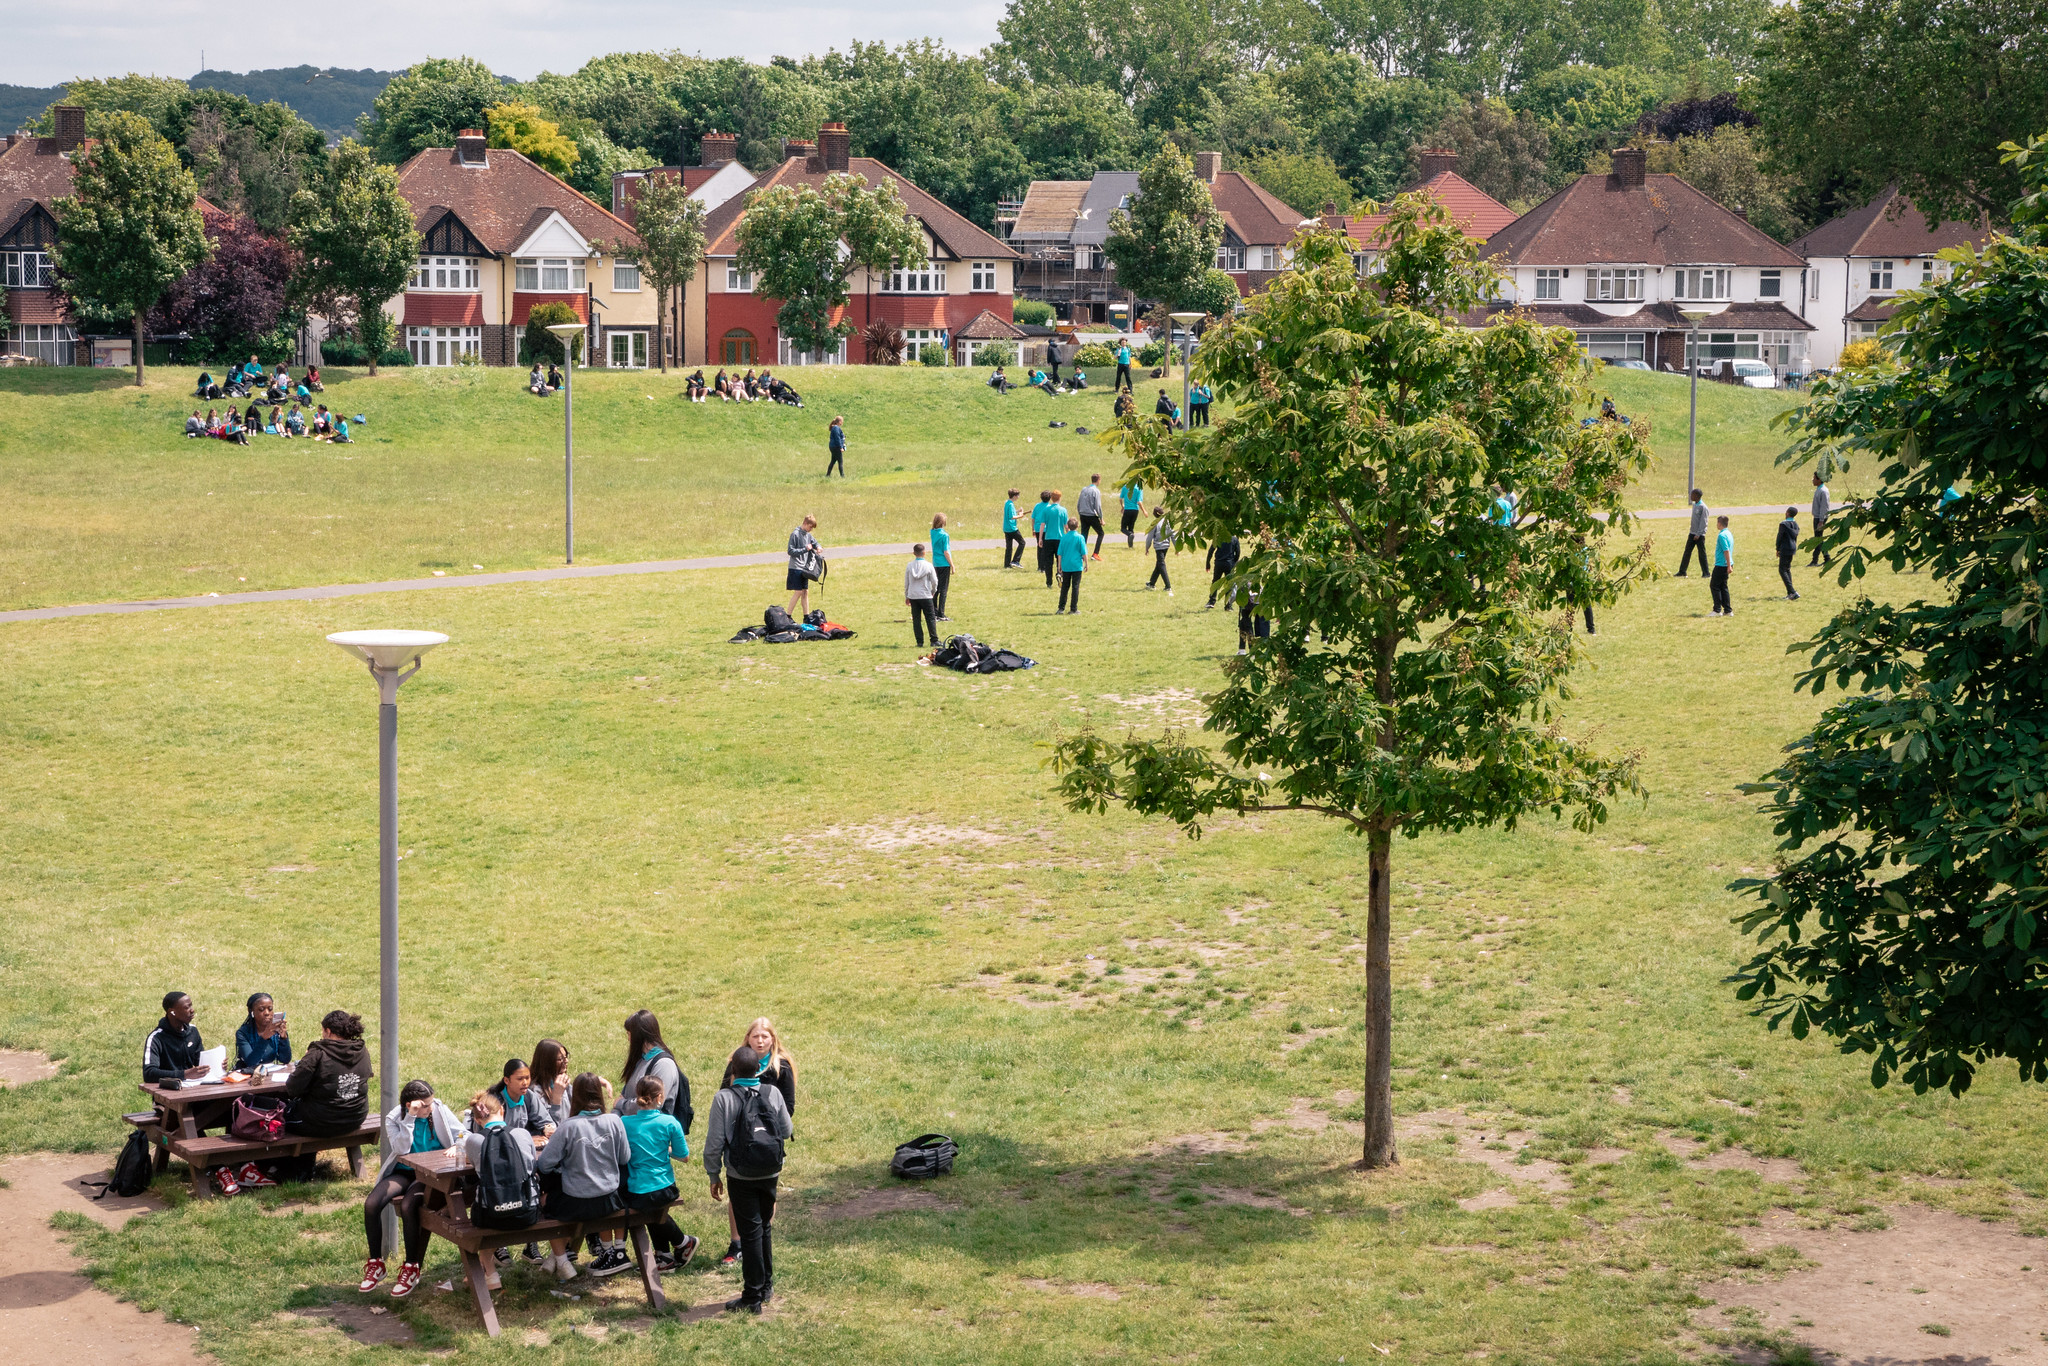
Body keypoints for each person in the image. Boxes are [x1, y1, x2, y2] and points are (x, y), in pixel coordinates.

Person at [704, 1046, 793, 1314]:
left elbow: (714, 1144)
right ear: (758, 1070)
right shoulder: (772, 1092)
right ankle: (766, 1286)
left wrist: (713, 1174)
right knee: (764, 1227)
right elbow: (787, 1129)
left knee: (750, 1232)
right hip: (770, 1170)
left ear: (733, 1070)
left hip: (741, 1174)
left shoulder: (724, 1098)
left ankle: (752, 1297)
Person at [357, 1078, 463, 1298]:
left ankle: (411, 1267)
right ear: (410, 1105)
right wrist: (410, 1119)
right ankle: (376, 1264)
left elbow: (464, 1133)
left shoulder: (439, 1111)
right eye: (424, 1105)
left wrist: (456, 1145)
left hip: (429, 1174)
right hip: (405, 1171)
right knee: (372, 1204)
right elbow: (402, 1149)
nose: (429, 1108)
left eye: (430, 1103)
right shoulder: (394, 1118)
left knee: (408, 1206)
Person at [536, 1072, 633, 1279]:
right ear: (599, 1094)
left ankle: (559, 1256)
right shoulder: (615, 1121)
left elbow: (544, 1165)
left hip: (575, 1205)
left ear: (575, 1097)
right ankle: (561, 1257)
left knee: (545, 1198)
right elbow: (625, 1158)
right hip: (610, 1201)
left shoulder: (568, 1127)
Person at [718, 1019, 796, 1267]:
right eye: (756, 1036)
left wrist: (764, 1124)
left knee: (766, 1195)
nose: (760, 1041)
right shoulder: (737, 1062)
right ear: (747, 1038)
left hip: (767, 1140)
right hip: (739, 1140)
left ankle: (762, 1240)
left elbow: (788, 1107)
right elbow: (723, 1093)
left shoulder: (780, 1066)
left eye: (765, 1036)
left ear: (773, 1039)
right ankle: (737, 1242)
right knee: (737, 1193)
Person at [622, 1075, 699, 1273]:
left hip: (636, 1189)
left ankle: (666, 1256)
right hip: (665, 1187)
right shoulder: (670, 1122)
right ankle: (681, 1243)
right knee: (655, 1211)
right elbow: (684, 1157)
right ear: (660, 1098)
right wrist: (666, 1150)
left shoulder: (624, 1123)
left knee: (650, 1211)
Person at [285, 1009, 373, 1139]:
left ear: (328, 1031)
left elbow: (292, 1088)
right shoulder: (361, 1050)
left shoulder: (318, 1053)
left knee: (277, 1118)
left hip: (322, 1122)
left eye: (323, 1031)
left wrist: (305, 1060)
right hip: (355, 1118)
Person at [144, 991, 206, 1085]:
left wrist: (217, 1065)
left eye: (191, 1006)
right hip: (169, 1093)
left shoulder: (193, 1031)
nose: (192, 1010)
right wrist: (184, 1074)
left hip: (193, 1090)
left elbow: (200, 1063)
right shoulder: (156, 1038)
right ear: (172, 1012)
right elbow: (149, 1073)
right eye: (186, 1007)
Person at [235, 993, 292, 1071]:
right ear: (252, 1012)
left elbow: (285, 1060)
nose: (267, 1013)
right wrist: (264, 1038)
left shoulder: (276, 1030)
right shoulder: (243, 1033)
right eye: (261, 1009)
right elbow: (251, 1063)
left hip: (269, 1073)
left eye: (270, 1009)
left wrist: (284, 1038)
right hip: (248, 1075)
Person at [905, 543, 940, 646]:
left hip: (913, 595)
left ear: (913, 553)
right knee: (930, 618)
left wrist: (907, 595)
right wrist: (933, 591)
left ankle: (919, 641)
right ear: (924, 553)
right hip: (925, 595)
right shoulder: (928, 565)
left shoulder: (909, 566)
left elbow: (907, 582)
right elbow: (934, 581)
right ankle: (934, 639)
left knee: (916, 619)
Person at [786, 515, 821, 617]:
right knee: (798, 592)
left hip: (804, 569)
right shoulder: (795, 534)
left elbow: (814, 542)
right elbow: (790, 551)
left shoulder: (808, 535)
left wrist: (818, 547)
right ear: (805, 523)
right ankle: (788, 615)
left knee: (805, 592)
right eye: (810, 527)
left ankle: (806, 616)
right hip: (795, 567)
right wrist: (805, 549)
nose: (810, 530)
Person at [1057, 515, 1087, 614]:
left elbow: (1060, 553)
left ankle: (1061, 608)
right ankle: (1073, 608)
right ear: (1078, 526)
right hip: (1077, 565)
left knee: (1065, 587)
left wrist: (1059, 566)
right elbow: (1084, 552)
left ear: (1068, 526)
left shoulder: (1064, 537)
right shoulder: (1080, 538)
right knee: (1075, 586)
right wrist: (1086, 563)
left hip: (1066, 565)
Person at [1679, 490, 1710, 576]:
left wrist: (1698, 534)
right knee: (1687, 552)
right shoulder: (1695, 505)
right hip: (1692, 533)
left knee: (1701, 554)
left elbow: (1704, 522)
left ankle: (1706, 573)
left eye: (1692, 495)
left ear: (1696, 496)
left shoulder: (1703, 507)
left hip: (1699, 535)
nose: (1690, 496)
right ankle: (1682, 571)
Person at [1144, 507, 1174, 594]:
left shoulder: (1155, 523)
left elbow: (1149, 537)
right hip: (1166, 547)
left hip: (1159, 547)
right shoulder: (1167, 522)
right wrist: (1177, 547)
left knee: (1161, 565)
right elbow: (1172, 535)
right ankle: (1152, 583)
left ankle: (1168, 586)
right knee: (1159, 564)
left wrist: (1147, 548)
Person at [929, 513, 953, 619]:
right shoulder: (944, 535)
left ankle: (934, 610)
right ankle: (941, 613)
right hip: (944, 563)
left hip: (936, 563)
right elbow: (946, 551)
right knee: (943, 589)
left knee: (936, 587)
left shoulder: (933, 533)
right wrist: (952, 564)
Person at [1206, 534, 1240, 608]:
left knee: (1215, 582)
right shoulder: (1234, 539)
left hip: (1219, 563)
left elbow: (1211, 551)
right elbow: (1237, 552)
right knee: (1229, 584)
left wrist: (1207, 563)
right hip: (1230, 563)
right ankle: (1228, 604)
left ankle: (1211, 601)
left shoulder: (1218, 537)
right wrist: (1234, 562)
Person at [1711, 514, 1735, 616]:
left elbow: (1726, 550)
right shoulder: (1729, 533)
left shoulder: (1721, 535)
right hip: (1727, 564)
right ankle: (1728, 610)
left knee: (1714, 586)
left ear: (1720, 524)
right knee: (1723, 586)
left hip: (1722, 565)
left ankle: (1717, 610)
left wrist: (1728, 565)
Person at [1776, 508, 1801, 600]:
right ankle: (1790, 593)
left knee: (1782, 570)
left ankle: (1793, 591)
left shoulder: (1783, 524)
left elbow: (1780, 537)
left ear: (1787, 513)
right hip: (1792, 547)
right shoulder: (1796, 525)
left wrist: (1777, 548)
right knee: (1787, 569)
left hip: (1785, 548)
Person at [1077, 476, 1106, 558]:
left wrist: (1080, 513)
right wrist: (1101, 518)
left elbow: (1079, 503)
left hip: (1083, 514)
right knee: (1101, 533)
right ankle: (1095, 554)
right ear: (1098, 480)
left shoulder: (1084, 489)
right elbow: (1098, 506)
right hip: (1091, 515)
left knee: (1084, 535)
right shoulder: (1096, 491)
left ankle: (1081, 554)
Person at [1810, 473, 1832, 566]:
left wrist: (1821, 521)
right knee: (1819, 538)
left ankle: (1815, 560)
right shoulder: (1819, 490)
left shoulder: (1823, 491)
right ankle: (1827, 557)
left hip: (1820, 518)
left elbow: (1824, 507)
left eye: (1814, 478)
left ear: (1819, 480)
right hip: (1817, 517)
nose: (1812, 480)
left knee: (1818, 539)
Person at [1002, 488, 1025, 569]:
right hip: (1012, 528)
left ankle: (1007, 564)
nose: (1018, 497)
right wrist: (1020, 515)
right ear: (1014, 496)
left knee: (1009, 547)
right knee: (1022, 543)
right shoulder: (1011, 504)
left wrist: (1018, 510)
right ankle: (1016, 560)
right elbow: (1011, 517)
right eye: (1017, 495)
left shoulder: (1007, 503)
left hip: (1006, 528)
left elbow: (1010, 512)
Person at [1118, 480, 1144, 547]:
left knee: (1123, 528)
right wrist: (1144, 511)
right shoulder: (1139, 488)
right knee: (1131, 528)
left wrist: (1122, 506)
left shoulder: (1125, 487)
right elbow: (1139, 502)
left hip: (1127, 510)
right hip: (1135, 510)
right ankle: (1130, 546)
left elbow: (1120, 499)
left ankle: (1130, 535)